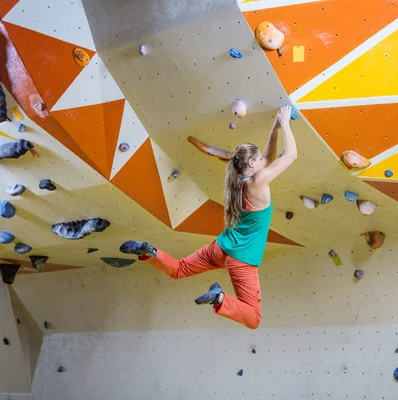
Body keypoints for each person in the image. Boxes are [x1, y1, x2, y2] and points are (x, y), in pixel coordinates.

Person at [119, 105, 298, 329]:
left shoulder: (238, 183)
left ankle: (150, 252)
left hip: (220, 249)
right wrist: (286, 124)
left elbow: (269, 158)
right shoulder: (258, 183)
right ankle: (220, 299)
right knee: (253, 319)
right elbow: (290, 155)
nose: (264, 159)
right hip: (241, 260)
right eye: (259, 158)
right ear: (252, 164)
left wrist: (277, 125)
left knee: (178, 270)